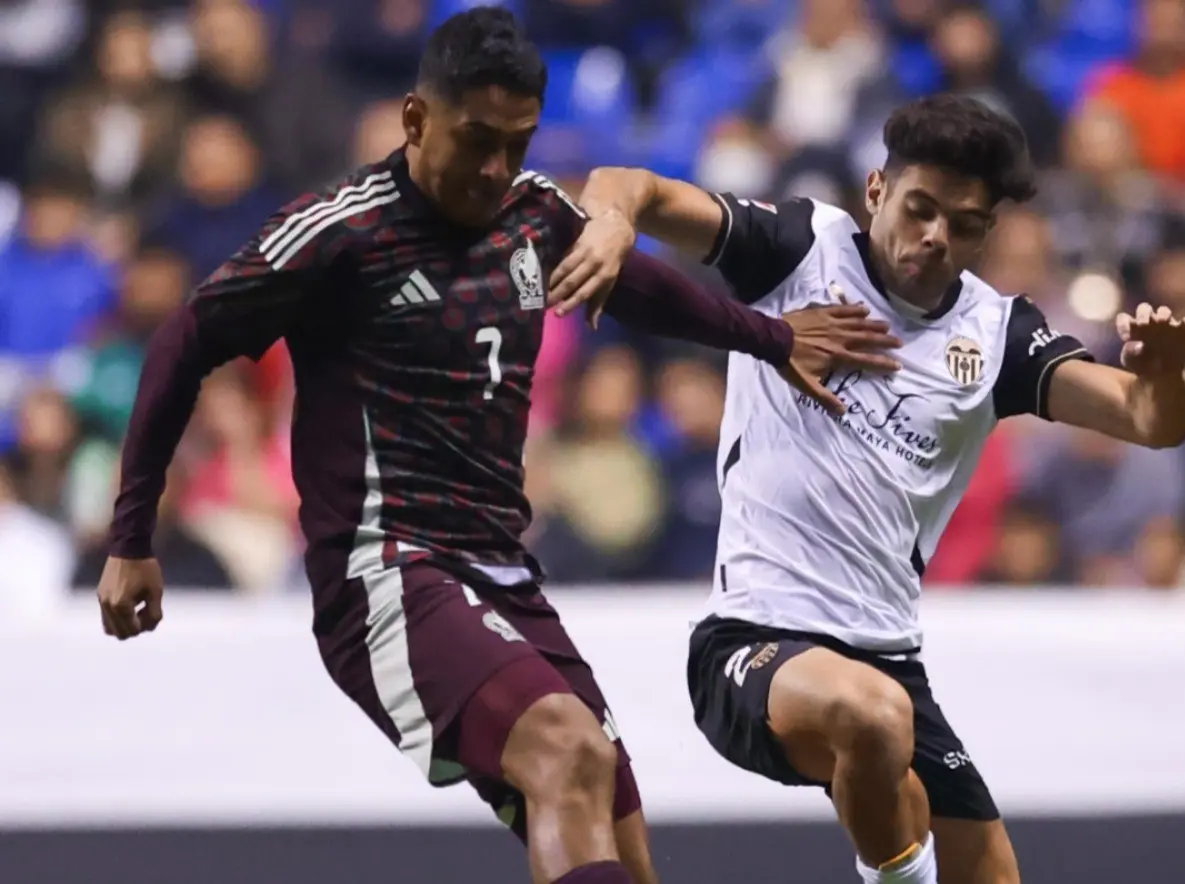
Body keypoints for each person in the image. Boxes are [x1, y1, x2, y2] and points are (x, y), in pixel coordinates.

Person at [93, 9, 900, 884]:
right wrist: (133, 536)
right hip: (386, 570)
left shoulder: (532, 213)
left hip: (500, 569)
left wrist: (772, 339)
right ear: (414, 119)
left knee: (622, 835)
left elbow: (635, 285)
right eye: (476, 139)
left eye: (515, 144)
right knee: (565, 751)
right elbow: (183, 340)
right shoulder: (340, 233)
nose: (493, 169)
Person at [549, 94, 1185, 884]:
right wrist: (614, 220)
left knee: (985, 863)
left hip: (891, 660)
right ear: (877, 191)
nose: (933, 238)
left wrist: (1161, 375)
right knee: (870, 717)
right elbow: (627, 183)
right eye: (919, 209)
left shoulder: (996, 338)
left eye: (962, 224)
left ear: (986, 232)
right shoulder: (797, 249)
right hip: (751, 645)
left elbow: (1147, 420)